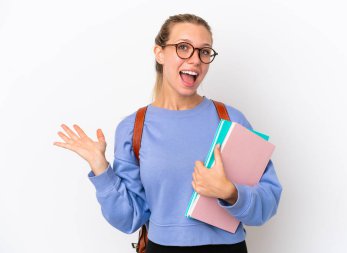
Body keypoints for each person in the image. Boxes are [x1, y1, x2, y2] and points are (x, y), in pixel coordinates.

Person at [54, 13, 282, 253]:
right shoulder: (134, 128)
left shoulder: (231, 119)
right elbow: (129, 218)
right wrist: (100, 168)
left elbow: (268, 202)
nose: (195, 60)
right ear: (159, 53)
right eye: (183, 47)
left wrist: (230, 193)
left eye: (204, 51)